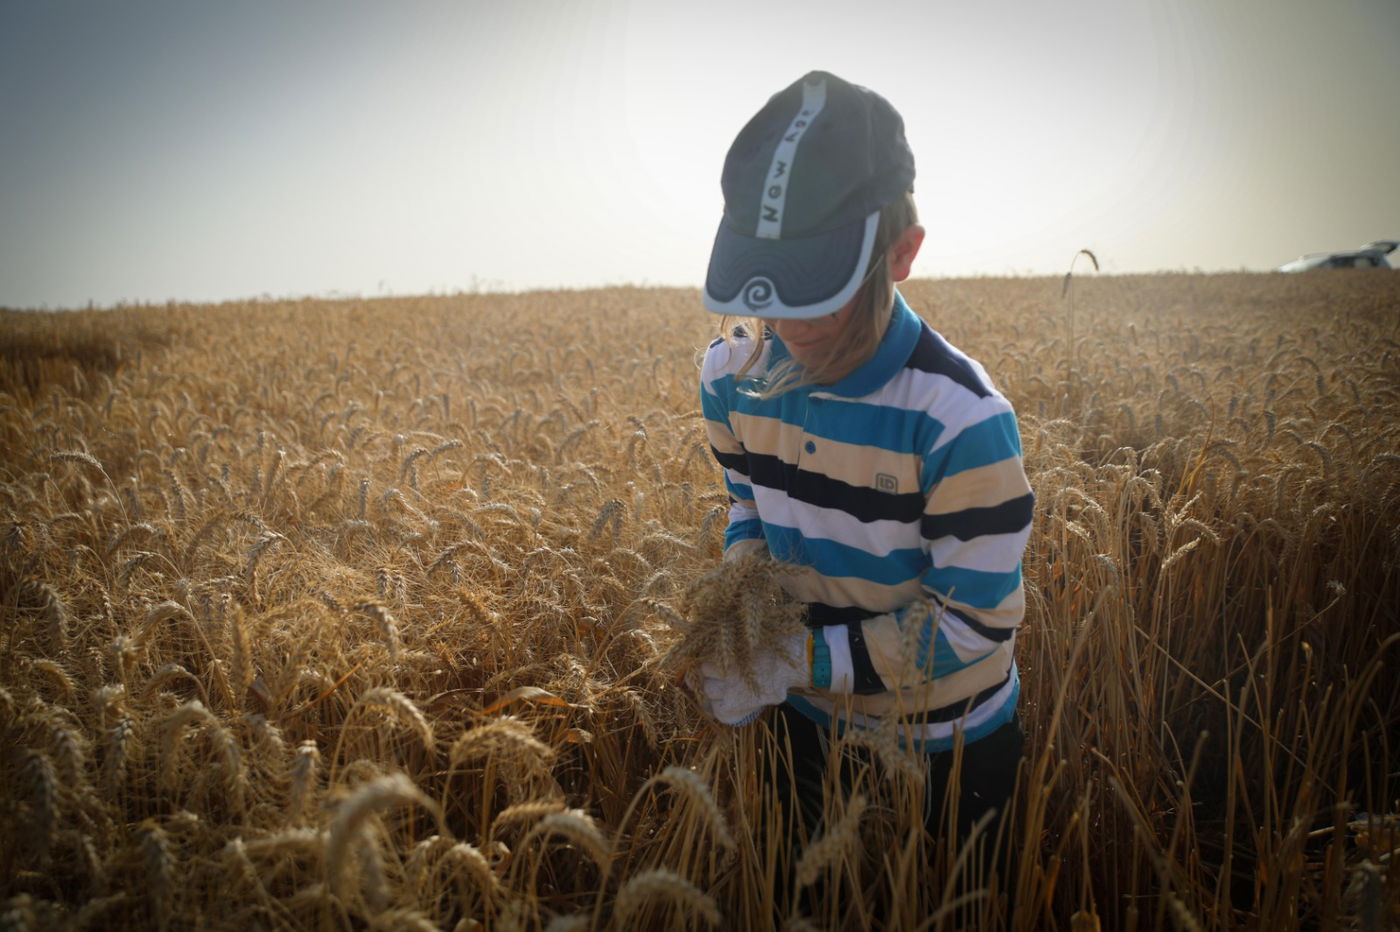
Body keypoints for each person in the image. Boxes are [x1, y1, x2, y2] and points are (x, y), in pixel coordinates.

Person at [694, 70, 1035, 886]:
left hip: (952, 739)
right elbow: (749, 505)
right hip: (803, 724)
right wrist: (738, 616)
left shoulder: (960, 420)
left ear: (902, 254)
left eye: (815, 289)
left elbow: (969, 626)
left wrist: (794, 661)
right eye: (762, 284)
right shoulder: (728, 375)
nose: (781, 324)